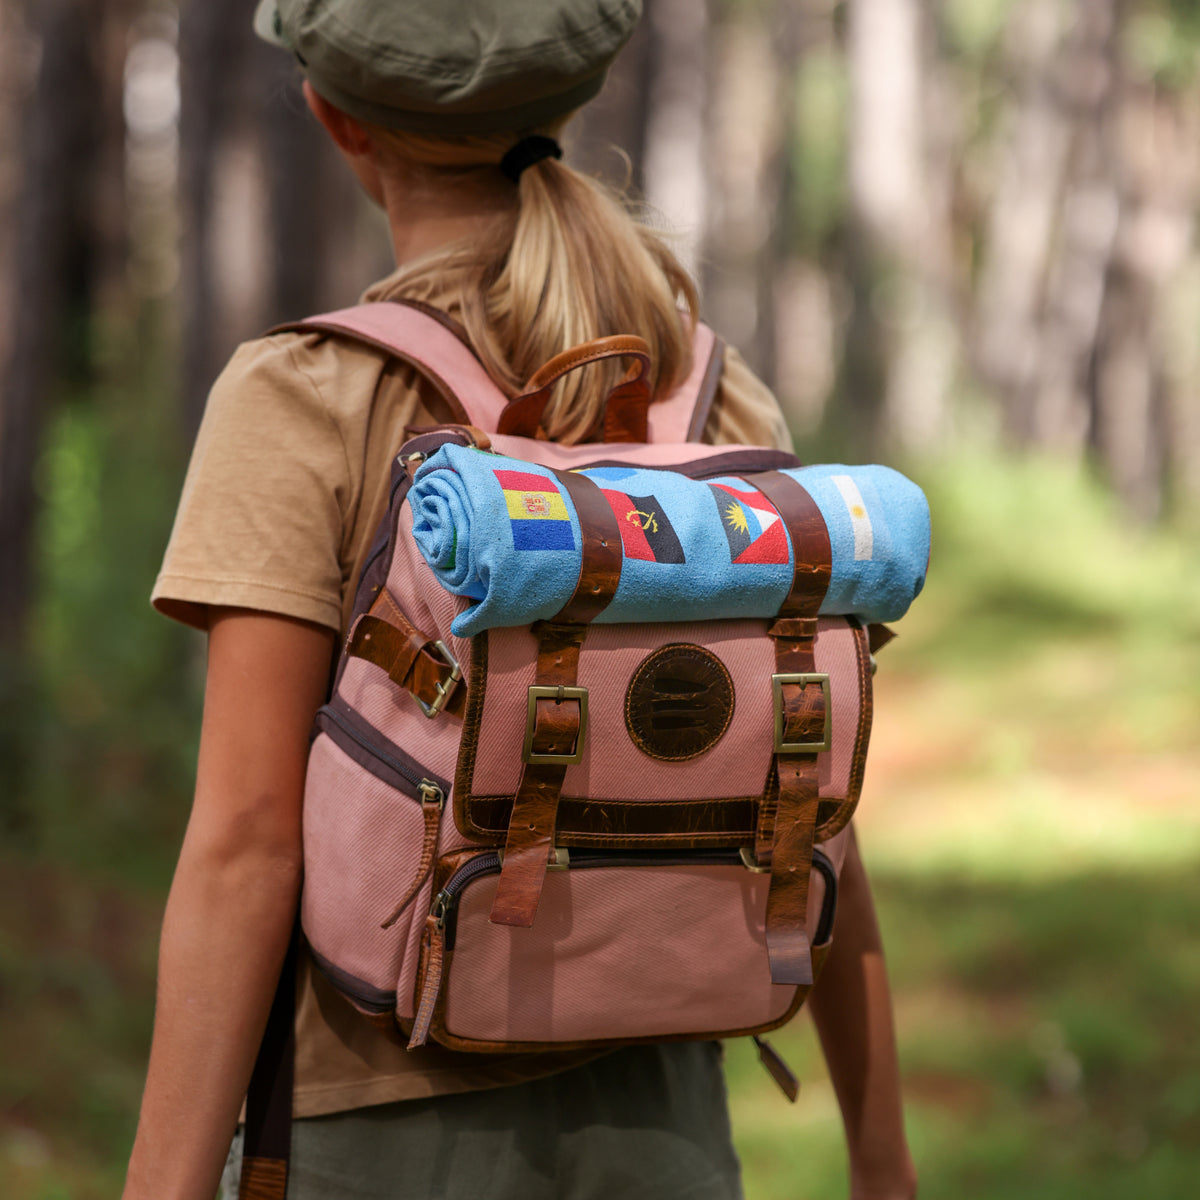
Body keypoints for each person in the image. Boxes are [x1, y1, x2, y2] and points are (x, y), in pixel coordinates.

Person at [122, 1, 917, 1197]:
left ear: (334, 118)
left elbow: (244, 846)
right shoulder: (708, 398)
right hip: (665, 1128)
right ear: (575, 99)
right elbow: (814, 812)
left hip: (368, 1133)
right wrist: (882, 1156)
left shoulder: (310, 394)